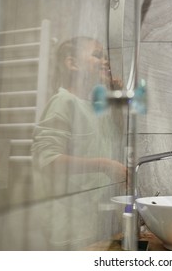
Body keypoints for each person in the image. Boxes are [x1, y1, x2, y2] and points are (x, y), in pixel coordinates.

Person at [31, 36, 126, 249]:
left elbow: (116, 136)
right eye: (97, 55)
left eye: (106, 57)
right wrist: (104, 165)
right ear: (73, 63)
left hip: (92, 222)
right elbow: (47, 160)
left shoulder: (94, 107)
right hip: (68, 225)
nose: (106, 62)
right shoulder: (63, 102)